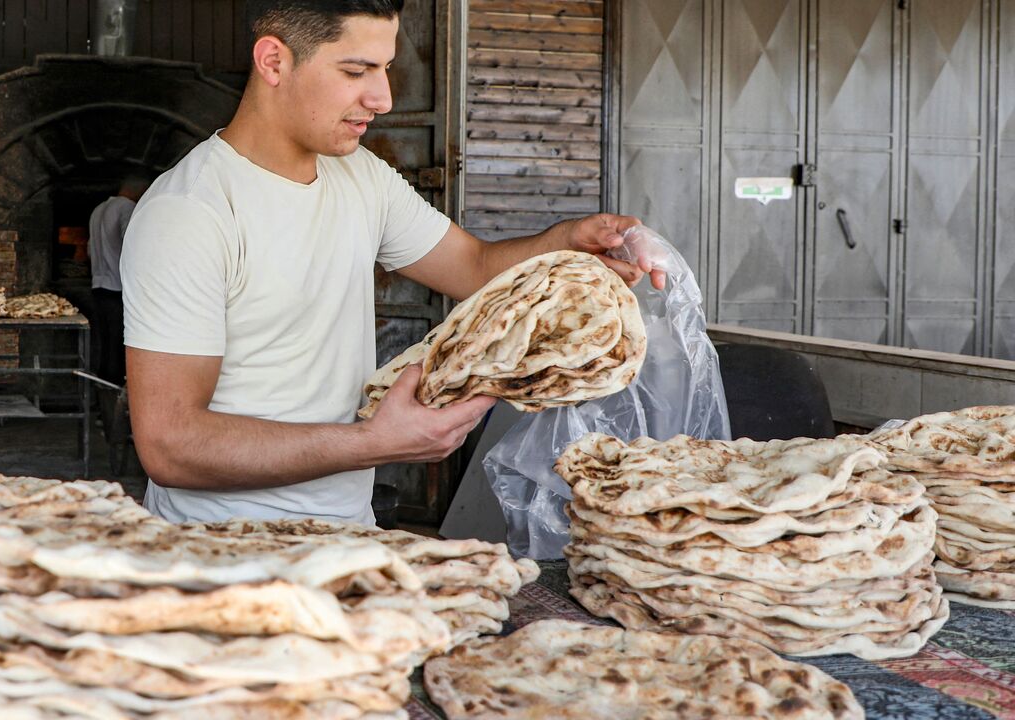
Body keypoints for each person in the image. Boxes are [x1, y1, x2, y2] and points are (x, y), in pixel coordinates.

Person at [121, 0, 665, 525]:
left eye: (384, 68)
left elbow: (473, 267)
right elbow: (171, 446)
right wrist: (373, 444)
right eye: (356, 70)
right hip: (218, 550)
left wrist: (570, 241)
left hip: (350, 532)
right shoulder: (190, 213)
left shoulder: (361, 176)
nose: (382, 98)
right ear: (274, 61)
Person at [88, 175, 149, 386]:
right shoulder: (127, 208)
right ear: (138, 191)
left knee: (104, 343)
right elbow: (132, 245)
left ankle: (102, 393)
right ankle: (113, 396)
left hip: (98, 284)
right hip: (118, 288)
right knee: (117, 346)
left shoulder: (98, 210)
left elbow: (89, 249)